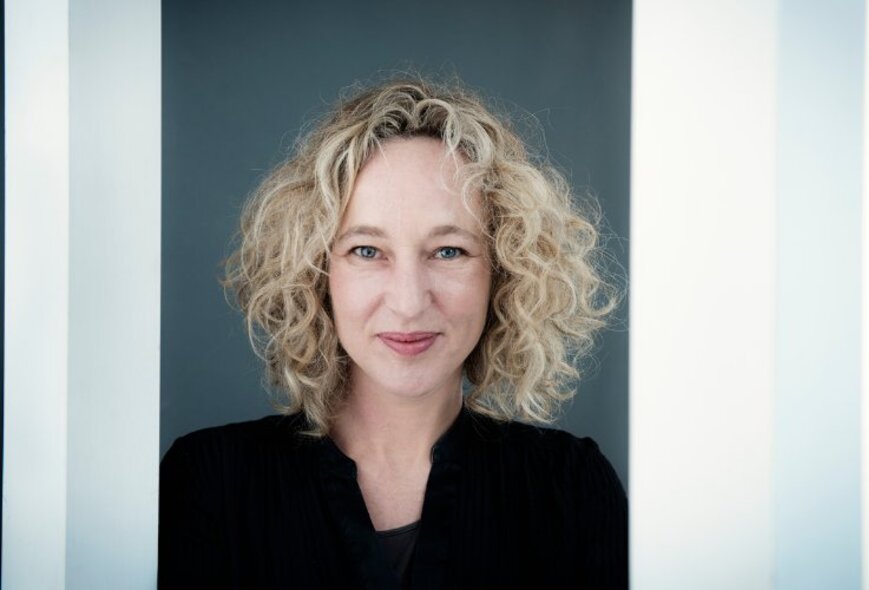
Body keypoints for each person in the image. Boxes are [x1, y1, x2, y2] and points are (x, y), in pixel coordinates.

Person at [158, 77, 627, 589]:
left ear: (504, 272)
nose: (408, 302)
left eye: (449, 251)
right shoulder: (209, 482)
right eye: (367, 251)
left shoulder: (571, 489)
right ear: (317, 272)